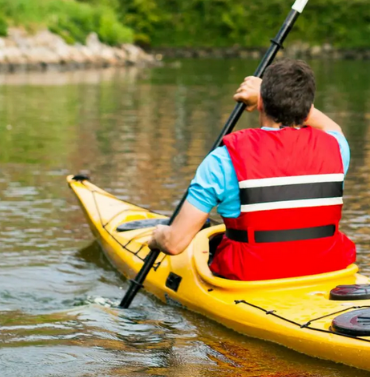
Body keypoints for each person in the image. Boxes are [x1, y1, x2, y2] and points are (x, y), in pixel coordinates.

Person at [148, 59, 356, 281]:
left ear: (260, 104)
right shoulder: (337, 148)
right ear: (307, 109)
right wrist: (271, 95)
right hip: (326, 270)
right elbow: (331, 126)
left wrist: (158, 236)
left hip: (250, 278)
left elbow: (174, 244)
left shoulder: (223, 160)